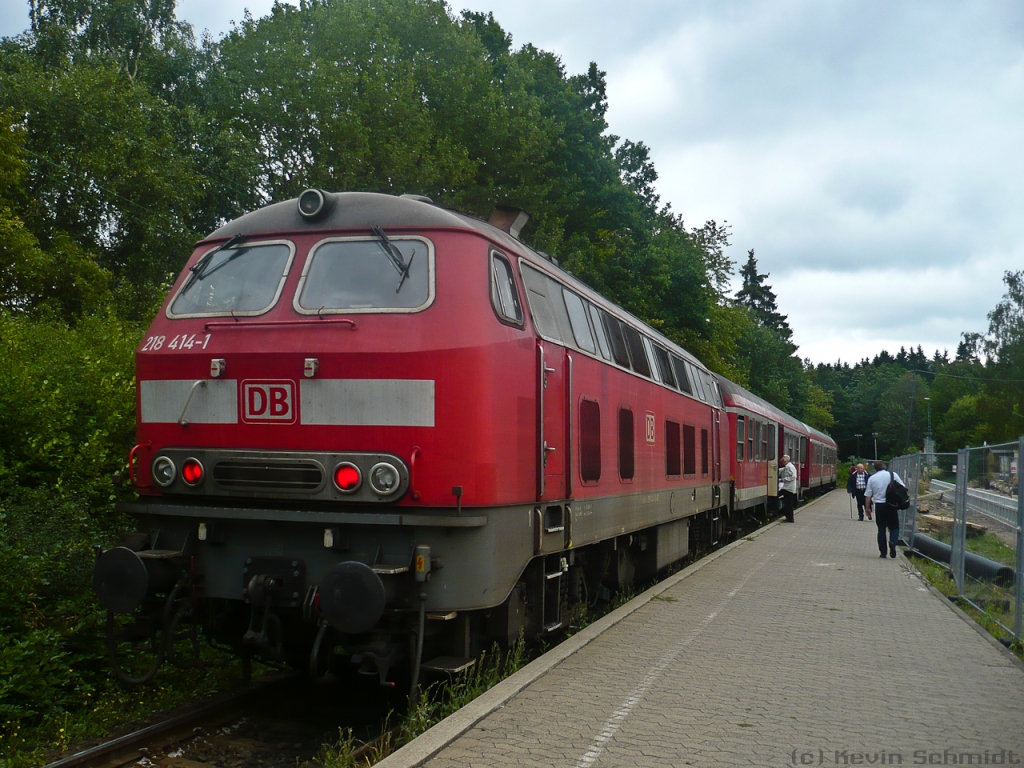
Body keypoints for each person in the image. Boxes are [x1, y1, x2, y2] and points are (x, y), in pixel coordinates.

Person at [864, 460, 903, 558]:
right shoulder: (893, 475)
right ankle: (893, 542)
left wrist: (867, 508)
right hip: (891, 505)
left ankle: (883, 552)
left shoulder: (872, 478)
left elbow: (868, 496)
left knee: (881, 529)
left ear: (875, 468)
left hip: (879, 506)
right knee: (894, 526)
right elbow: (902, 487)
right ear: (884, 466)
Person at [778, 454, 798, 523]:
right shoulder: (786, 467)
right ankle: (788, 517)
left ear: (786, 460)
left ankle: (790, 518)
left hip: (789, 488)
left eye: (783, 461)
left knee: (788, 504)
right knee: (787, 503)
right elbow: (782, 471)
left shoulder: (790, 467)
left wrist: (784, 479)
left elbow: (793, 476)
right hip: (786, 487)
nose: (782, 462)